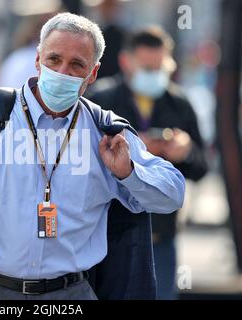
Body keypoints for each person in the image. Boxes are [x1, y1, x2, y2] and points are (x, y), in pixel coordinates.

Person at [0, 13, 185, 300]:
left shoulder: (105, 132)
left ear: (93, 73)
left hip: (70, 295)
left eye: (77, 64)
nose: (63, 71)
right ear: (38, 60)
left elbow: (172, 194)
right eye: (54, 59)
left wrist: (128, 173)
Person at [87, 27, 207, 299]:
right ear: (125, 61)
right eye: (146, 67)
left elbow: (202, 168)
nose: (154, 75)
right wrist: (134, 149)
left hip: (160, 235)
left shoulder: (179, 103)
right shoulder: (101, 101)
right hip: (109, 233)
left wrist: (185, 151)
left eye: (159, 67)